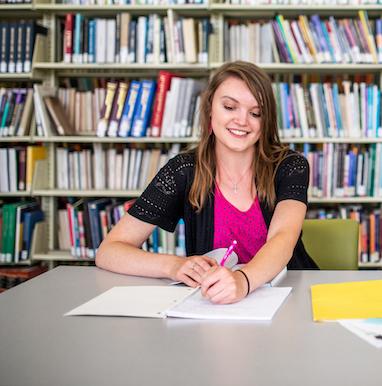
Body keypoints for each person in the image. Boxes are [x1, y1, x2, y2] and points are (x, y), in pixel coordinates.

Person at [96, 61, 317, 304]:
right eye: (230, 107)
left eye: (256, 113)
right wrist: (174, 265)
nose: (242, 120)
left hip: (289, 297)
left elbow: (283, 238)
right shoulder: (183, 170)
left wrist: (242, 281)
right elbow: (109, 251)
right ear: (210, 108)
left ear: (266, 122)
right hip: (213, 304)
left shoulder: (290, 166)